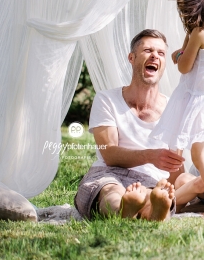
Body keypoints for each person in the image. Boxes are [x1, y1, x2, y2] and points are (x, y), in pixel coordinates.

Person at [74, 29, 183, 221]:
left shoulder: (173, 108)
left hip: (151, 180)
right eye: (148, 50)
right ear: (131, 58)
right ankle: (124, 209)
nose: (154, 56)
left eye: (161, 53)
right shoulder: (107, 99)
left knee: (154, 194)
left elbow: (175, 166)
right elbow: (109, 153)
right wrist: (150, 155)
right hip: (109, 173)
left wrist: (170, 187)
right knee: (111, 191)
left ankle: (153, 208)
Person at [149, 0, 204, 218]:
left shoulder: (199, 33)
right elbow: (200, 60)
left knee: (198, 155)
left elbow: (184, 66)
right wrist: (186, 49)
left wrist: (178, 55)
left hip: (199, 100)